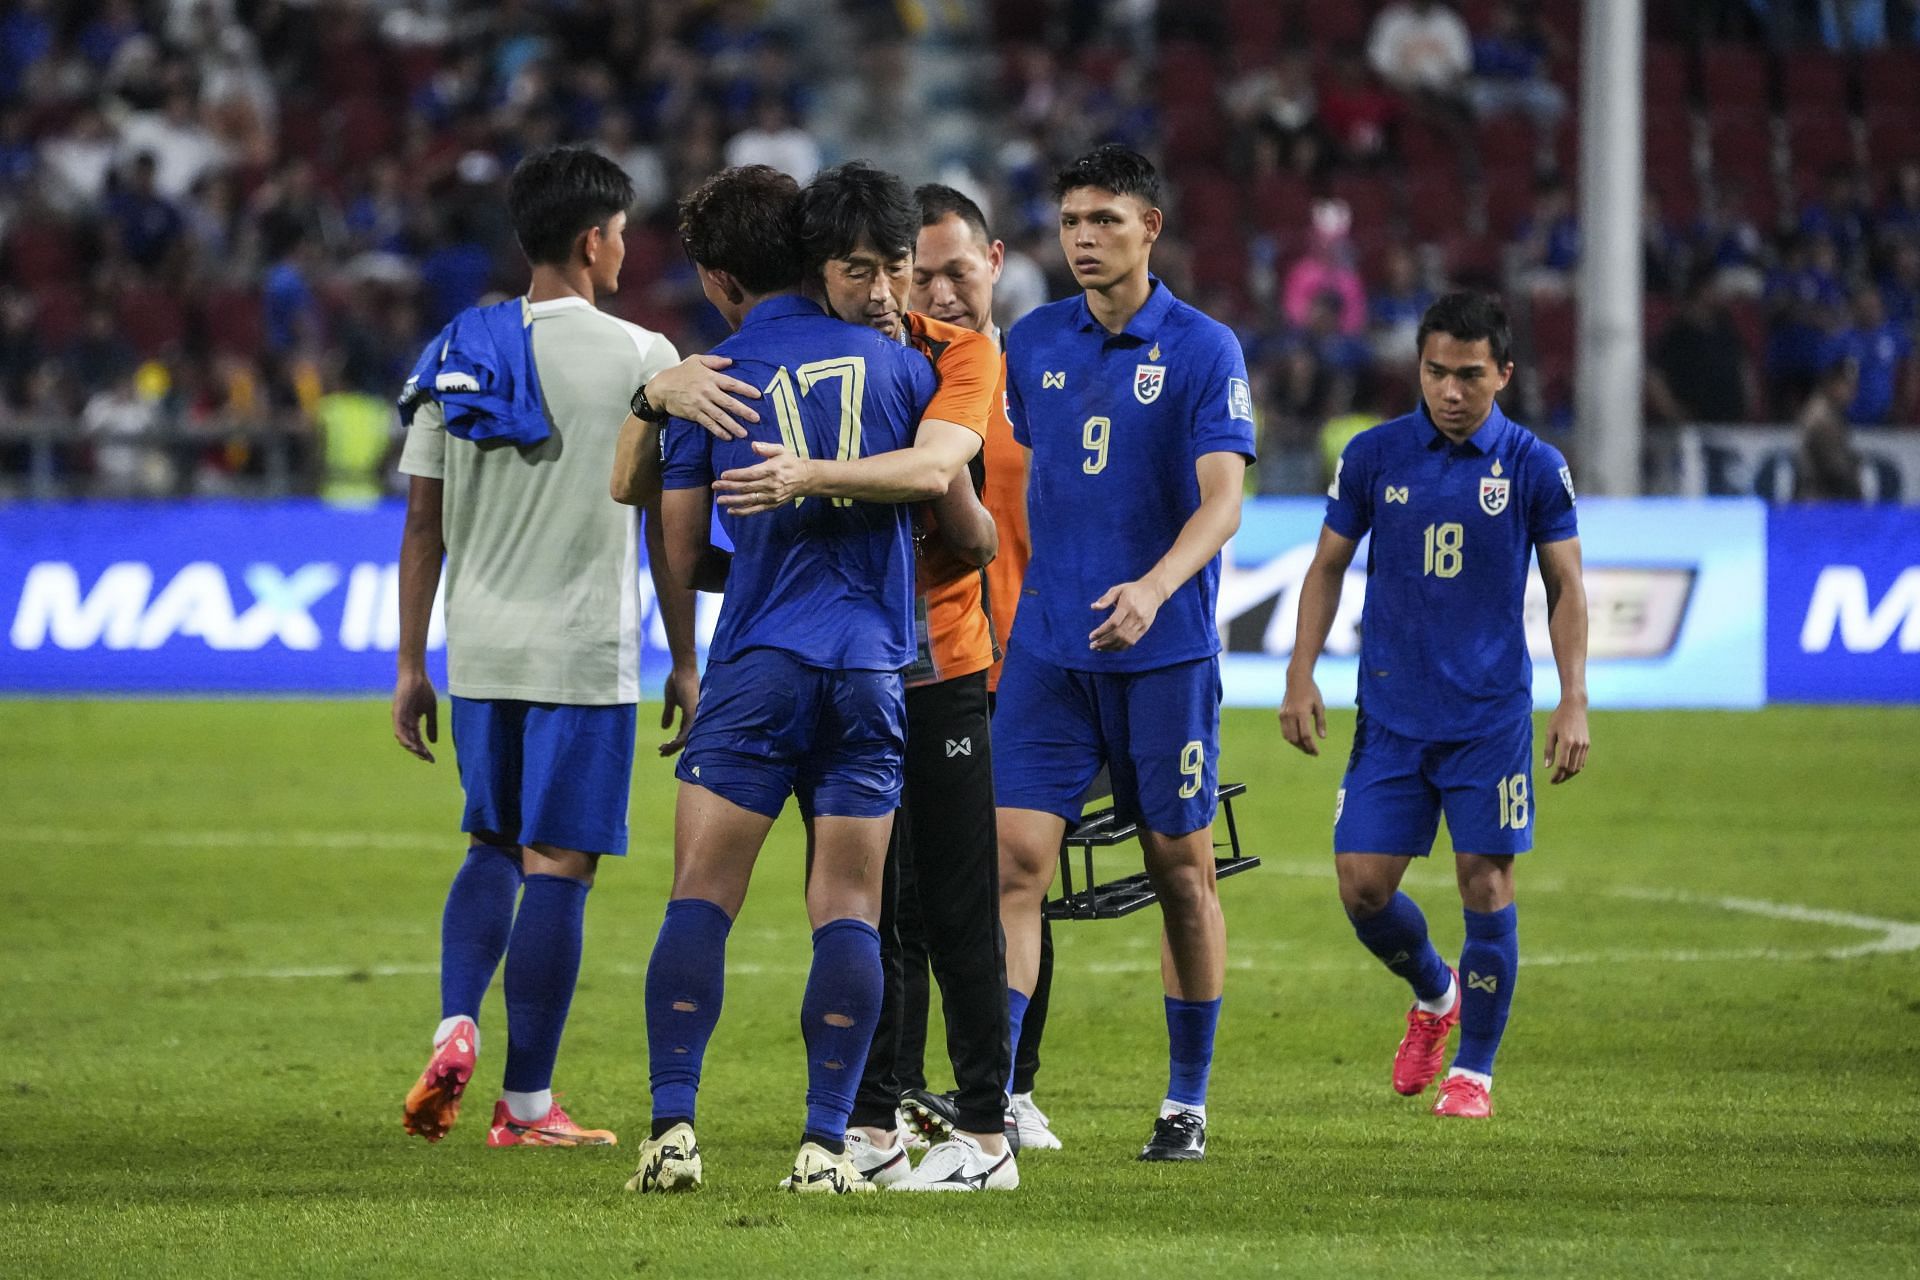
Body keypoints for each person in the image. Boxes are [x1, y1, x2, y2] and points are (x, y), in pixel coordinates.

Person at [620, 163, 987, 1195]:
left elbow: (681, 551)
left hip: (760, 662)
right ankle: (828, 1144)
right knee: (849, 907)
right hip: (875, 667)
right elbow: (963, 527)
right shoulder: (906, 370)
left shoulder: (711, 375)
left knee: (703, 895)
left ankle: (672, 1130)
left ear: (725, 276)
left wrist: (767, 557)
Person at [392, 145, 751, 1148]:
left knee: (490, 844)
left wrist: (412, 665)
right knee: (560, 865)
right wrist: (685, 657)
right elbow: (666, 528)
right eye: (625, 231)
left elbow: (423, 523)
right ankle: (527, 1106)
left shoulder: (455, 348)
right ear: (594, 238)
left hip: (482, 649)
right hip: (583, 652)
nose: (628, 248)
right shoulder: (646, 360)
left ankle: (457, 1012)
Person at [994, 144, 1255, 1162]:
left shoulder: (1203, 349)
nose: (1084, 239)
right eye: (1070, 222)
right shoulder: (1032, 342)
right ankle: (993, 1098)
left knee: (1181, 869)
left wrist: (1153, 586)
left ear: (1151, 226)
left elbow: (1224, 499)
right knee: (1014, 864)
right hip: (1050, 653)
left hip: (1165, 654)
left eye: (1104, 219)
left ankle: (1185, 1098)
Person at [1278, 291, 1590, 1120]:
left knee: (1484, 882)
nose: (1450, 391)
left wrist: (1574, 701)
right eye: (1435, 372)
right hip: (1389, 712)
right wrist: (1299, 673)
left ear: (1505, 375)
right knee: (1362, 888)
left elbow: (1566, 587)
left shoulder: (1533, 465)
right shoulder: (1377, 455)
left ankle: (1474, 1074)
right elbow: (1326, 569)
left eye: (1470, 375)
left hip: (1488, 718)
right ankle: (1435, 994)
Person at [868, 183, 1064, 1159]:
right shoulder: (909, 377)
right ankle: (901, 1088)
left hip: (1029, 666)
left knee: (1012, 881)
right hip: (939, 659)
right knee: (908, 891)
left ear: (993, 261)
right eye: (923, 271)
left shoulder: (1039, 378)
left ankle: (1011, 1089)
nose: (941, 288)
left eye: (957, 267)